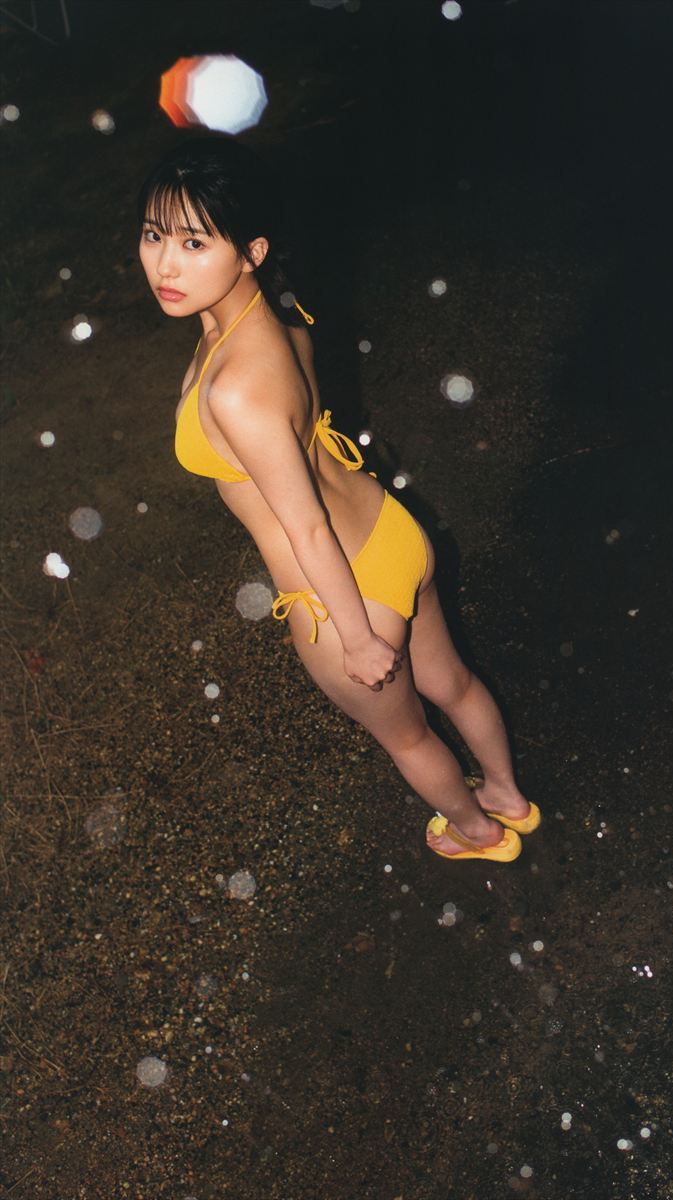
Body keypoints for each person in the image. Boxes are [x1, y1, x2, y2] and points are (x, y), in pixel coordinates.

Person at [136, 137, 540, 862]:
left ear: (251, 250)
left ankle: (479, 832)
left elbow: (309, 530)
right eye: (153, 235)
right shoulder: (277, 320)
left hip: (343, 595)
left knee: (407, 735)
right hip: (391, 533)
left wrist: (357, 639)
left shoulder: (235, 388)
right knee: (453, 683)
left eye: (194, 242)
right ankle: (508, 795)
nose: (166, 264)